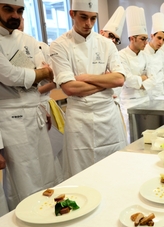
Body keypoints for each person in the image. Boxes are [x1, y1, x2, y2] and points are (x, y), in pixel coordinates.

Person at [50, 0, 127, 179]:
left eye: (93, 19)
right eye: (83, 17)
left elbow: (119, 79)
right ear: (72, 14)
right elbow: (69, 88)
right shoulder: (60, 45)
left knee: (114, 170)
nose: (88, 24)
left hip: (108, 117)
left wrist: (87, 78)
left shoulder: (106, 44)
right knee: (81, 173)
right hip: (80, 118)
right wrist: (105, 83)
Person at [0, 0, 62, 211]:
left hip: (35, 113)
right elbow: (8, 75)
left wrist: (41, 75)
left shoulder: (28, 39)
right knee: (23, 175)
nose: (15, 16)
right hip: (10, 120)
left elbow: (47, 76)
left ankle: (51, 213)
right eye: (8, 9)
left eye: (19, 10)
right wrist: (41, 73)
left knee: (46, 167)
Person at [118, 6, 156, 143]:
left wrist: (139, 81)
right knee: (132, 137)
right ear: (132, 38)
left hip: (145, 100)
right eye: (143, 39)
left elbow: (154, 78)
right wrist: (143, 78)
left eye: (146, 39)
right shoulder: (121, 56)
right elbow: (127, 80)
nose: (146, 43)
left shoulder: (145, 55)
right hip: (129, 103)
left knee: (148, 136)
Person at [99, 6, 126, 102]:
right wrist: (109, 77)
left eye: (116, 39)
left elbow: (119, 80)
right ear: (101, 32)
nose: (113, 40)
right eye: (111, 35)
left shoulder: (115, 55)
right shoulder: (91, 49)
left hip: (112, 102)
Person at [143, 12, 164, 98]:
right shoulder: (143, 52)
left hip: (160, 93)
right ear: (152, 36)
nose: (161, 42)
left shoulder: (161, 53)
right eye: (159, 38)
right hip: (146, 95)